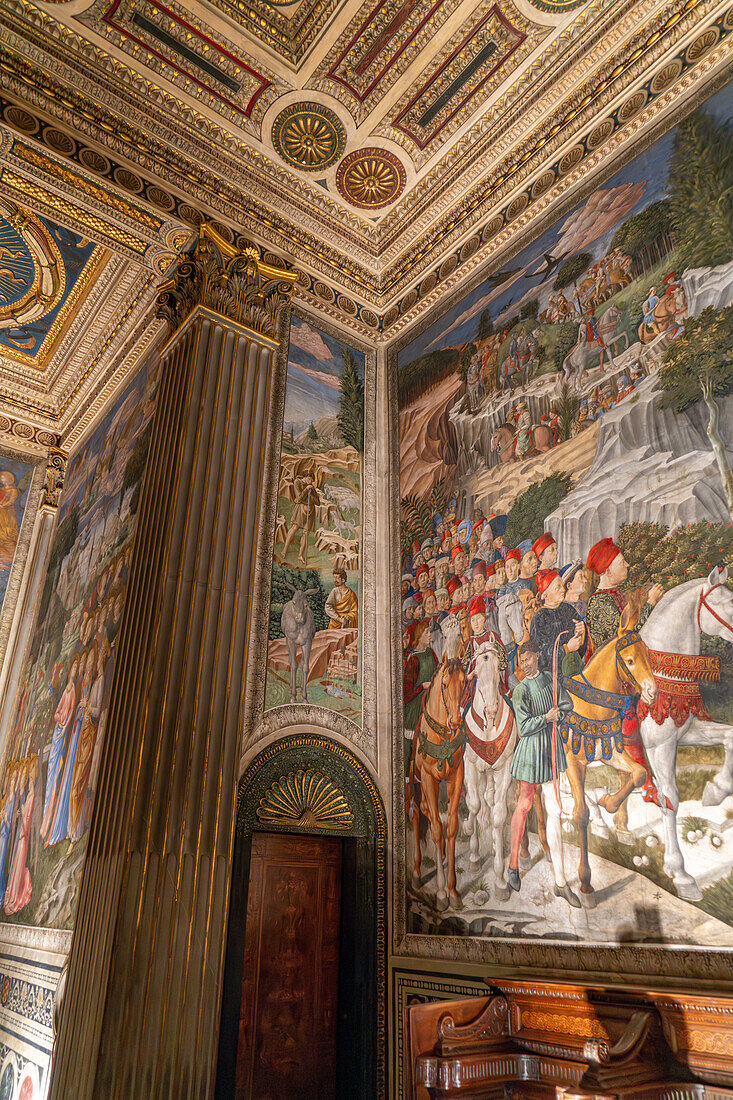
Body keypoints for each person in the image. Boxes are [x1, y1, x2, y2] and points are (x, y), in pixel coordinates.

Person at [506, 641, 577, 906]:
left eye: (527, 659)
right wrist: (546, 718)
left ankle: (561, 882)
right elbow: (523, 727)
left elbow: (567, 703)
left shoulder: (550, 678)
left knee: (555, 812)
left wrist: (562, 712)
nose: (524, 665)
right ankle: (513, 864)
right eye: (520, 661)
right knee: (524, 805)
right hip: (531, 750)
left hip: (551, 748)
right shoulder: (520, 690)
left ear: (536, 656)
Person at [585, 537, 663, 650]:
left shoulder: (613, 594)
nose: (627, 564)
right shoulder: (599, 601)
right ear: (608, 572)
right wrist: (650, 602)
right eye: (622, 562)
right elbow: (624, 639)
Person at [529, 569, 586, 680]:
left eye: (562, 586)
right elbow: (539, 656)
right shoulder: (539, 618)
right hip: (552, 678)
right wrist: (567, 648)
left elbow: (581, 648)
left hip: (574, 669)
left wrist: (580, 633)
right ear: (546, 595)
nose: (563, 590)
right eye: (557, 587)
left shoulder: (568, 609)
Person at [403, 620, 439, 740]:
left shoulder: (430, 652)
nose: (429, 635)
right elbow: (406, 693)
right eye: (426, 632)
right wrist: (422, 686)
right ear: (419, 636)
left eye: (429, 632)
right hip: (416, 709)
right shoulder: (413, 660)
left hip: (431, 702)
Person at [0, 471, 19, 571]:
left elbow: (11, 501)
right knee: (1, 527)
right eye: (2, 479)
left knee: (8, 527)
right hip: (1, 511)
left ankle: (8, 538)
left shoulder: (13, 490)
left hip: (8, 512)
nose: (3, 481)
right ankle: (3, 539)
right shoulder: (2, 489)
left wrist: (3, 505)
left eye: (4, 479)